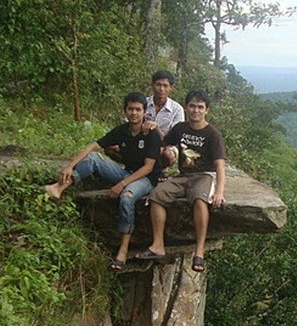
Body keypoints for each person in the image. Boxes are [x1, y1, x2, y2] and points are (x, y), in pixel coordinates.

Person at [44, 92, 163, 270]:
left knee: (127, 197)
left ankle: (123, 250)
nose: (134, 113)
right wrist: (70, 166)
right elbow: (93, 146)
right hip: (126, 173)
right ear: (125, 111)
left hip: (146, 179)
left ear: (144, 112)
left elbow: (148, 167)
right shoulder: (122, 131)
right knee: (93, 158)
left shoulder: (150, 134)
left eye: (138, 109)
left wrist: (122, 185)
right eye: (130, 109)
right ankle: (59, 187)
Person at [137, 89, 226, 272]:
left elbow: (219, 166)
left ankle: (199, 251)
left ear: (207, 110)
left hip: (204, 176)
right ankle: (158, 245)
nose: (196, 111)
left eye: (200, 107)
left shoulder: (212, 134)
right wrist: (153, 128)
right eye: (192, 106)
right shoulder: (180, 129)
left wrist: (219, 192)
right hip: (183, 176)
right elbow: (164, 142)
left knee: (199, 200)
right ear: (186, 107)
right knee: (156, 195)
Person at [145, 70, 184, 168]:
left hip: (166, 146)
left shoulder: (177, 109)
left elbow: (175, 140)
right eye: (158, 84)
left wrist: (156, 128)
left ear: (171, 88)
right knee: (112, 148)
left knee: (168, 155)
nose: (161, 89)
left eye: (165, 86)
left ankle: (160, 170)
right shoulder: (143, 103)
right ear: (152, 85)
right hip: (141, 141)